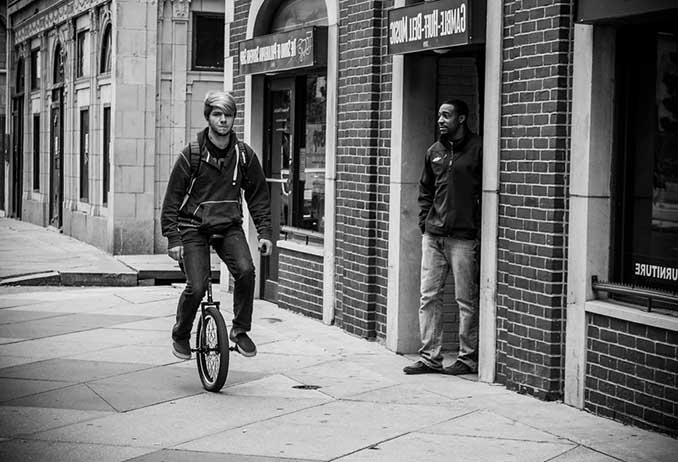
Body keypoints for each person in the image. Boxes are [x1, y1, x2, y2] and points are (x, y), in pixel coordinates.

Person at [161, 91, 273, 360]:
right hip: (192, 228)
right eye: (217, 114)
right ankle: (181, 333)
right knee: (197, 286)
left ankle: (240, 330)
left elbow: (258, 196)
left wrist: (265, 232)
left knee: (246, 271)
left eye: (228, 115)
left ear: (234, 118)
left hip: (228, 226)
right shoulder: (192, 155)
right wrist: (173, 239)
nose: (223, 120)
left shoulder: (244, 155)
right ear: (208, 117)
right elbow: (172, 200)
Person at [403, 99, 482, 376]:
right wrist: (425, 222)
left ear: (461, 119)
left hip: (463, 238)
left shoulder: (478, 149)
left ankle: (467, 358)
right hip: (434, 236)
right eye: (439, 114)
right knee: (429, 297)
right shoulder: (434, 151)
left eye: (446, 115)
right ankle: (430, 358)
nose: (440, 119)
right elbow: (425, 190)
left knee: (465, 300)